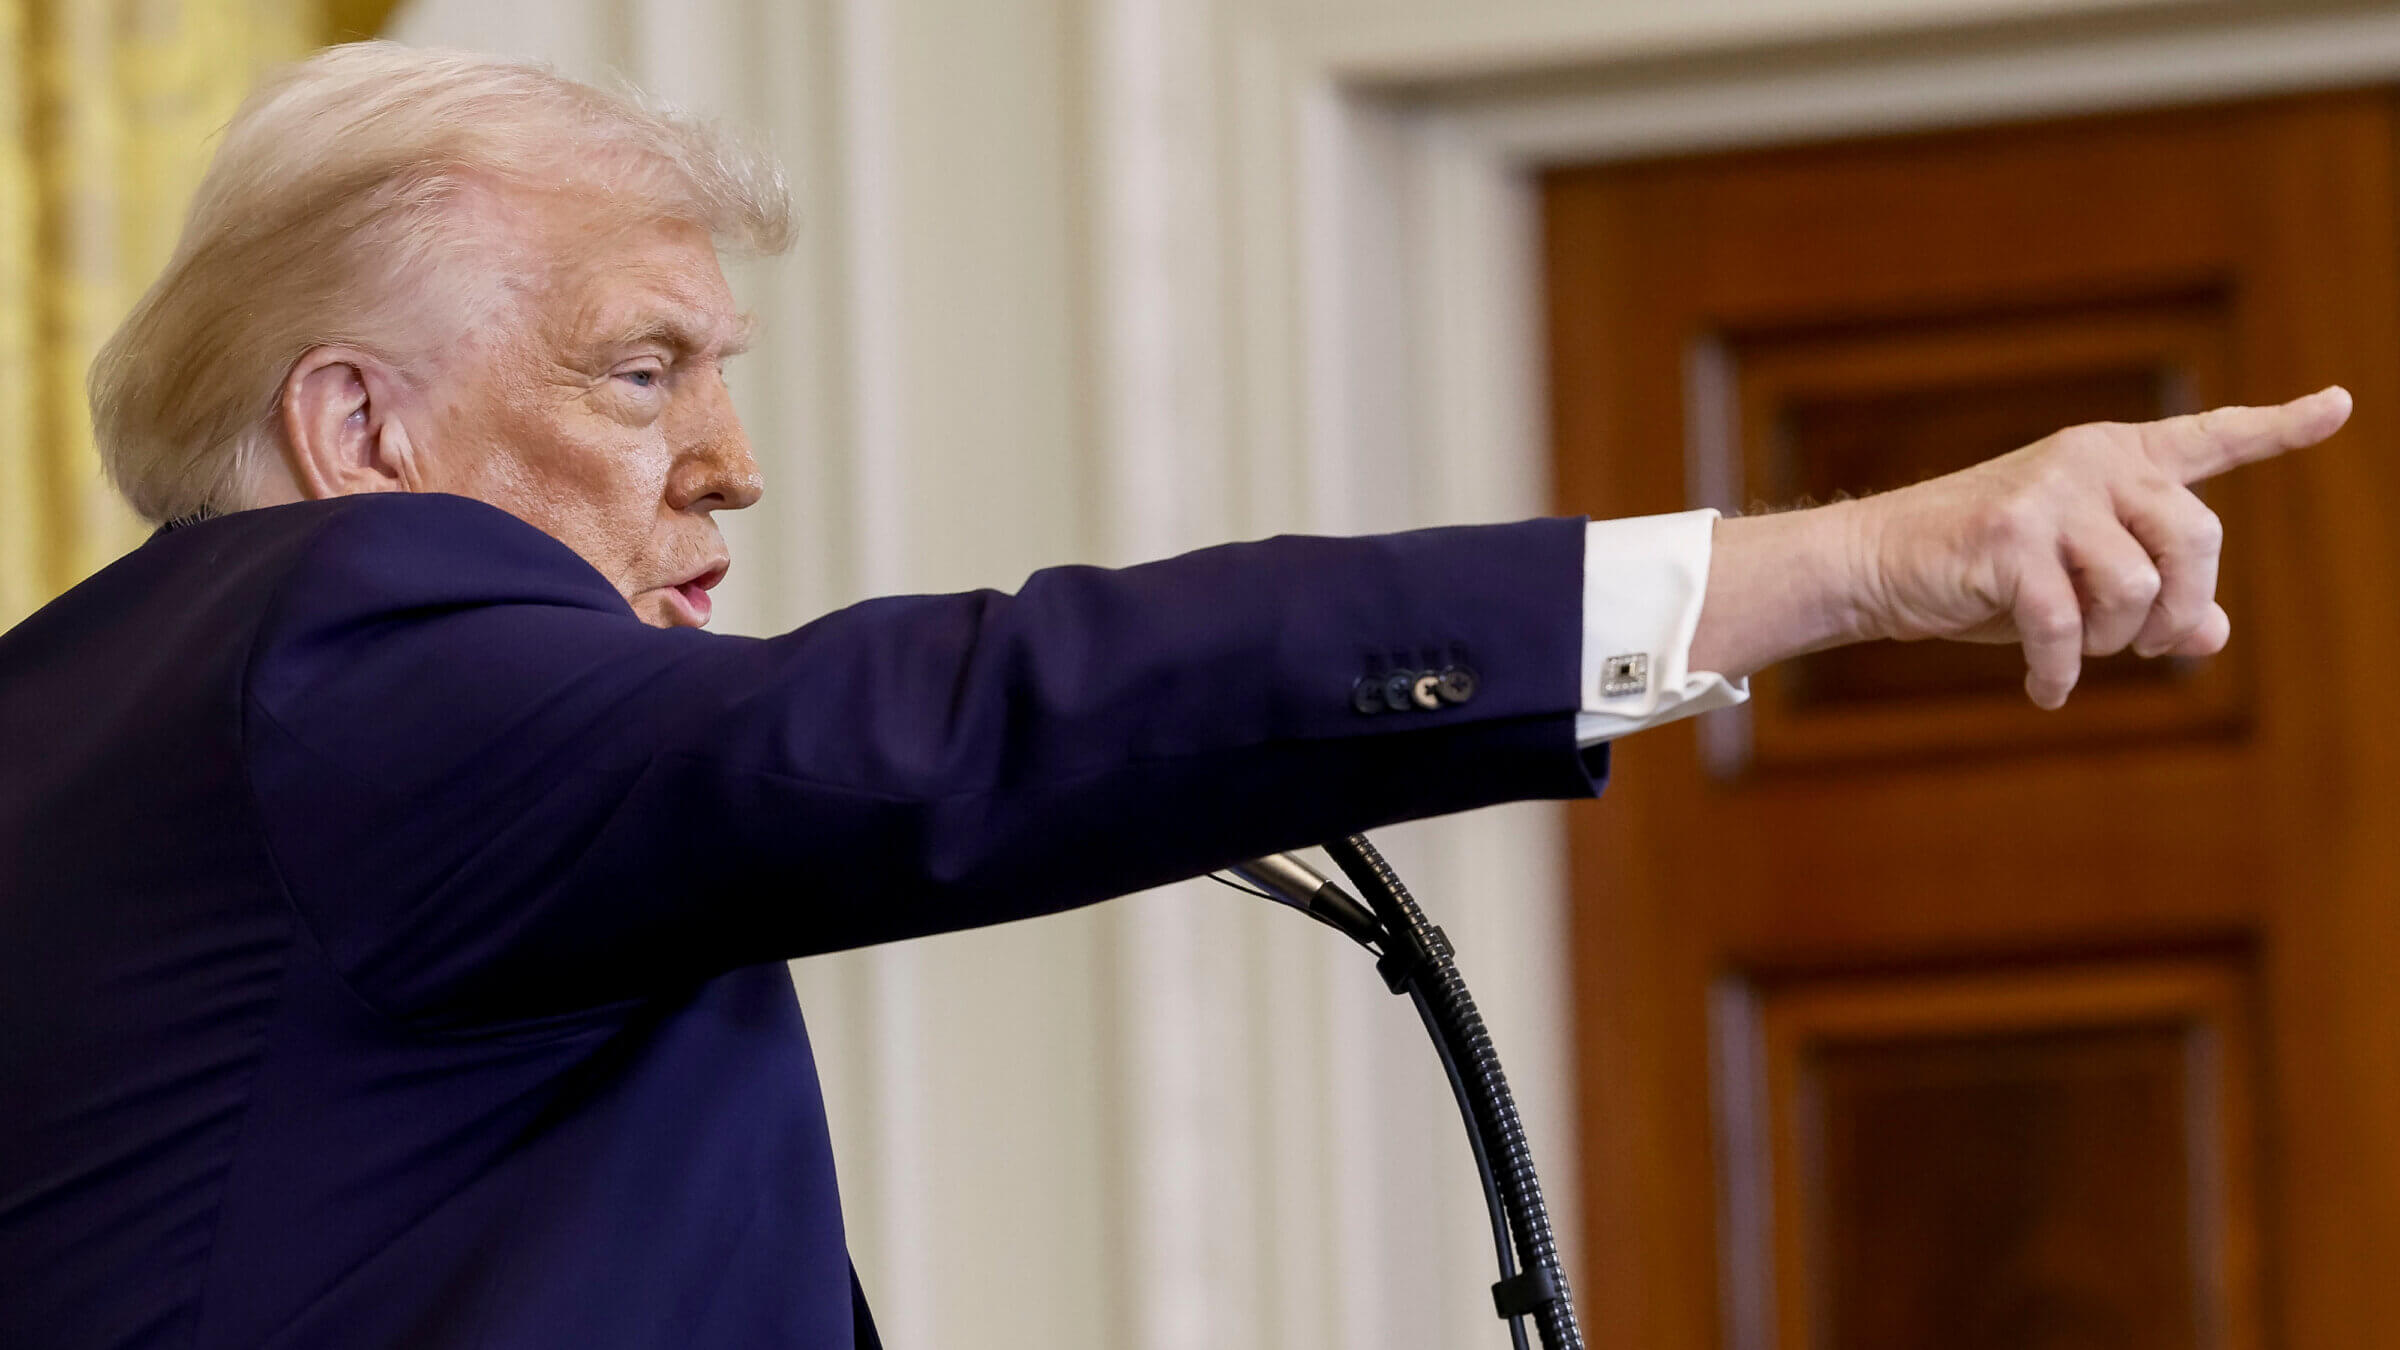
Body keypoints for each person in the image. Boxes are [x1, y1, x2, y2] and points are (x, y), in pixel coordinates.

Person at [0, 42, 2349, 1350]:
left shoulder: (108, 733)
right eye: (641, 371)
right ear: (358, 432)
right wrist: (1848, 560)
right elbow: (977, 719)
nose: (729, 461)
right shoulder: (344, 648)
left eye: (721, 371)